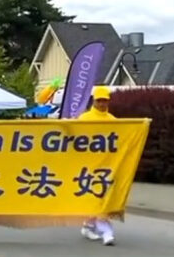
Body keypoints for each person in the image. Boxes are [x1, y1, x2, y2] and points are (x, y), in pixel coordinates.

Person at [78, 85, 116, 246]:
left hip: (107, 166)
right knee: (95, 197)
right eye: (99, 100)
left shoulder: (113, 120)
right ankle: (105, 231)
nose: (102, 104)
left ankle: (90, 226)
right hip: (89, 166)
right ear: (94, 101)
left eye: (105, 101)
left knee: (102, 198)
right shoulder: (85, 118)